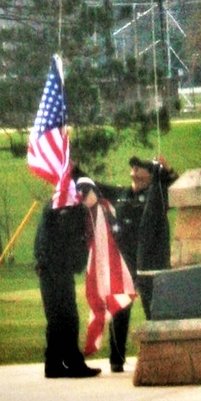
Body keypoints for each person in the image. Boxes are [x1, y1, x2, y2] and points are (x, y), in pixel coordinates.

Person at [97, 155, 177, 373]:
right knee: (120, 311)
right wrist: (74, 172)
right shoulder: (121, 195)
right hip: (125, 261)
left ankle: (160, 355)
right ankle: (116, 359)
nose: (134, 168)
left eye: (141, 167)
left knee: (154, 308)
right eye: (133, 166)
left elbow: (175, 186)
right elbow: (94, 188)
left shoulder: (156, 195)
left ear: (150, 176)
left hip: (150, 260)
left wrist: (166, 170)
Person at [33, 191, 101, 379]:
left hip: (56, 269)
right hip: (54, 270)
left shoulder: (59, 207)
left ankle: (59, 362)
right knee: (63, 317)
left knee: (62, 318)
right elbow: (57, 241)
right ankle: (65, 362)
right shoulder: (63, 209)